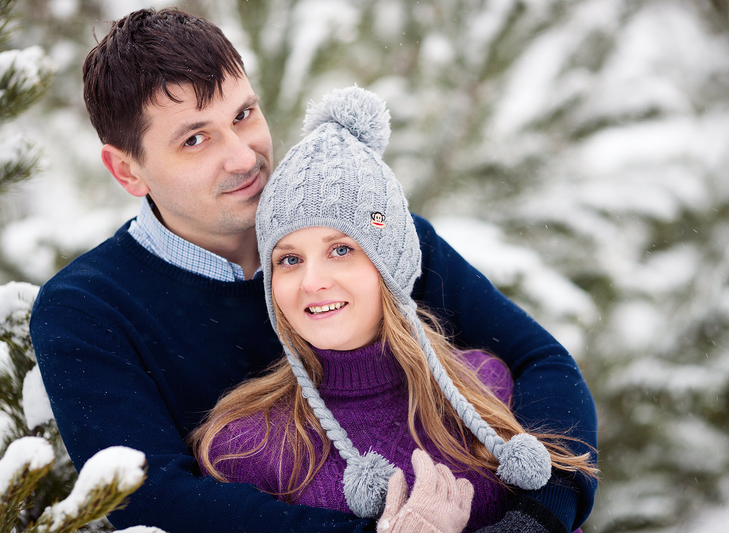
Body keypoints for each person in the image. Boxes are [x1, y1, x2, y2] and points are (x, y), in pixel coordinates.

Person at [29, 7, 597, 533]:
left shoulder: (374, 236)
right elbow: (152, 498)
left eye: (244, 115)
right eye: (196, 139)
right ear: (126, 170)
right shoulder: (87, 310)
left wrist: (538, 516)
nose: (244, 157)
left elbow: (541, 362)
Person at [190, 86, 597, 533]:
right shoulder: (247, 445)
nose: (311, 281)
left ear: (392, 264)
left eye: (341, 250)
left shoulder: (486, 388)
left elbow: (551, 365)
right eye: (289, 259)